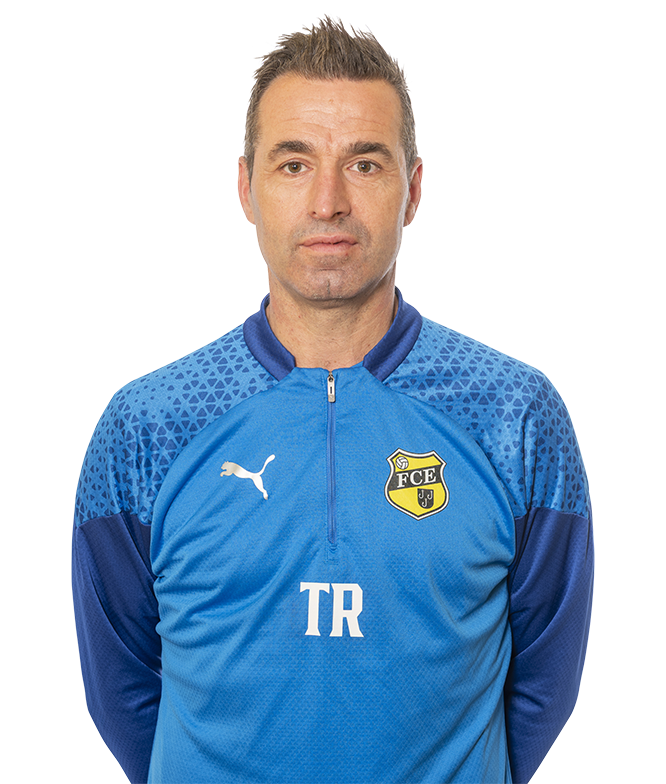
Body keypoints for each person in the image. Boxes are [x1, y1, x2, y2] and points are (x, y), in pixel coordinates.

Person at [72, 17, 593, 784]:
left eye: (365, 163)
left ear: (413, 190)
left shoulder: (512, 415)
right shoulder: (149, 425)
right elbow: (122, 691)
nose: (328, 201)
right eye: (294, 164)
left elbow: (543, 683)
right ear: (246, 189)